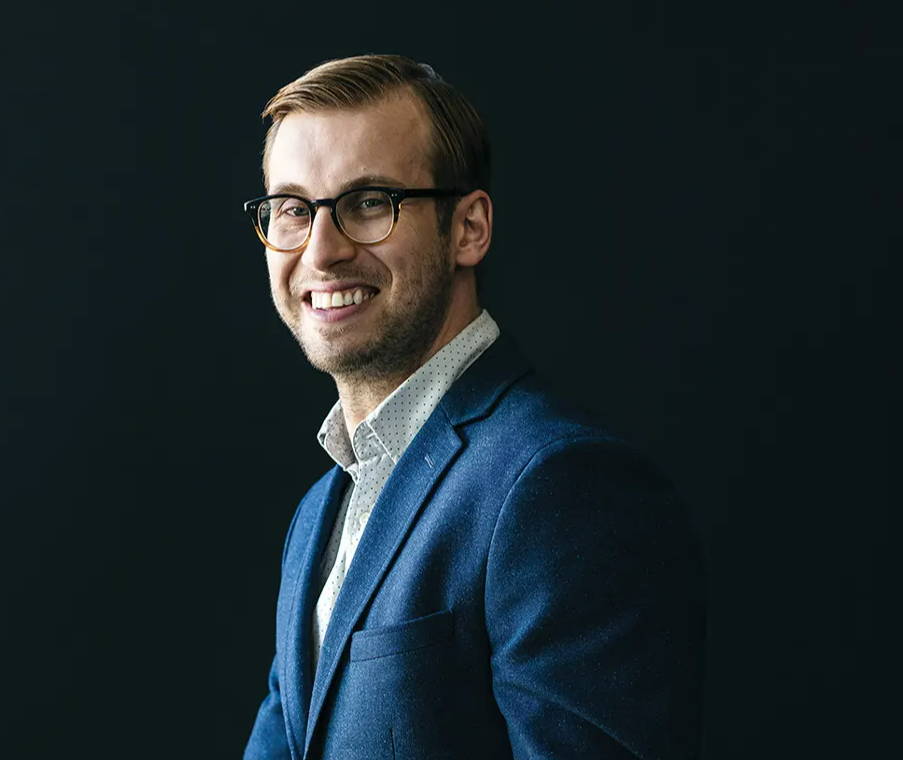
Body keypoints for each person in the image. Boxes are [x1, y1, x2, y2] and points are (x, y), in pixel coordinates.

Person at [241, 54, 706, 760]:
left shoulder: (558, 484)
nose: (322, 250)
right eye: (293, 210)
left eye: (369, 202)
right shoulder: (319, 511)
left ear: (468, 229)